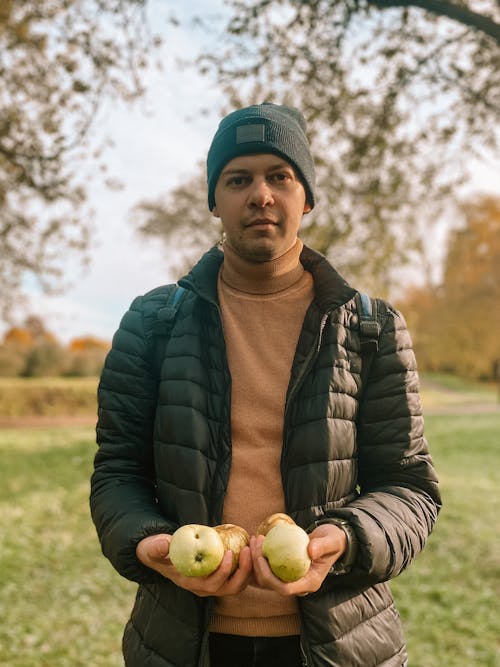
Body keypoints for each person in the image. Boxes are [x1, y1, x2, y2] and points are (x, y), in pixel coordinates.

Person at [90, 103, 441, 667]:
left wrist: (347, 540)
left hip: (338, 644)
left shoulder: (371, 328)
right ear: (213, 201)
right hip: (184, 643)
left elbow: (410, 486)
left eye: (280, 176)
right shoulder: (153, 322)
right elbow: (117, 471)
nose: (260, 195)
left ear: (307, 196)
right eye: (237, 179)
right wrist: (145, 542)